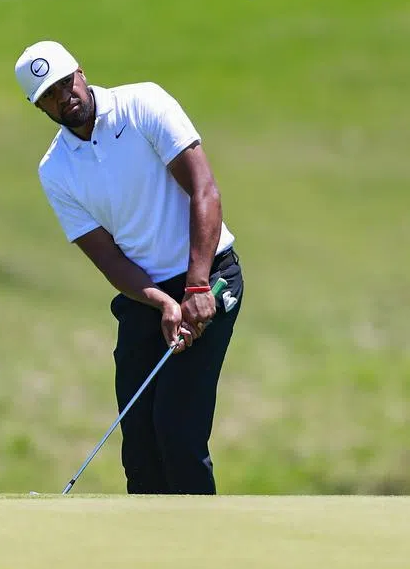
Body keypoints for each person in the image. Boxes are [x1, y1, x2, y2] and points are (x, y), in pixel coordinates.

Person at [13, 39, 245, 495]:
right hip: (145, 297)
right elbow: (107, 258)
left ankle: (203, 552)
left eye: (66, 82)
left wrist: (196, 289)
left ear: (81, 70)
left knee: (177, 432)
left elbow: (205, 191)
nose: (65, 97)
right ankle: (148, 557)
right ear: (39, 106)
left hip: (208, 274)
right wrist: (160, 301)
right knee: (139, 446)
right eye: (50, 95)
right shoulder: (56, 169)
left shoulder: (143, 104)